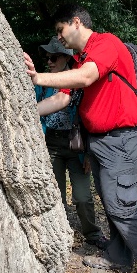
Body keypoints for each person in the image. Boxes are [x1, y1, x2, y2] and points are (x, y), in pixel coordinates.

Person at [25, 4, 137, 273]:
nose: (60, 38)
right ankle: (118, 256)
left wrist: (38, 78)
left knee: (122, 206)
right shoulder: (81, 59)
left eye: (60, 30)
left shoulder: (106, 44)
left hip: (124, 140)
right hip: (101, 143)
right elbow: (62, 98)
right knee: (111, 201)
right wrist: (26, 111)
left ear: (76, 22)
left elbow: (88, 77)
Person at [35, 36, 107, 249]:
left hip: (76, 146)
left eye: (54, 58)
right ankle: (58, 233)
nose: (49, 62)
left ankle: (92, 234)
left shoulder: (78, 83)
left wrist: (89, 153)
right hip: (51, 144)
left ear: (66, 58)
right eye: (47, 58)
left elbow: (88, 118)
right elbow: (36, 113)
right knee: (54, 194)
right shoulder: (42, 83)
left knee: (83, 196)